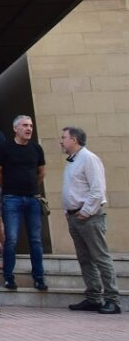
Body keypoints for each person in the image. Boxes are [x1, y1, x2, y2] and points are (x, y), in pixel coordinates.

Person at [60, 126, 121, 315]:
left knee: (100, 258)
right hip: (75, 217)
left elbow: (97, 189)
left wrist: (85, 211)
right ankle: (94, 298)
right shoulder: (72, 161)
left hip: (89, 217)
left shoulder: (89, 159)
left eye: (64, 137)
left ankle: (112, 300)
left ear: (74, 139)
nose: (61, 141)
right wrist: (67, 210)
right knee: (85, 259)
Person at [0, 114, 47, 292]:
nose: (29, 128)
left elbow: (41, 172)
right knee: (11, 239)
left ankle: (39, 278)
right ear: (16, 128)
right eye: (25, 125)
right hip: (11, 199)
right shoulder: (5, 148)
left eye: (30, 125)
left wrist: (31, 187)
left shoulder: (36, 148)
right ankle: (9, 277)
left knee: (36, 240)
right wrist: (8, 186)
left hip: (32, 198)